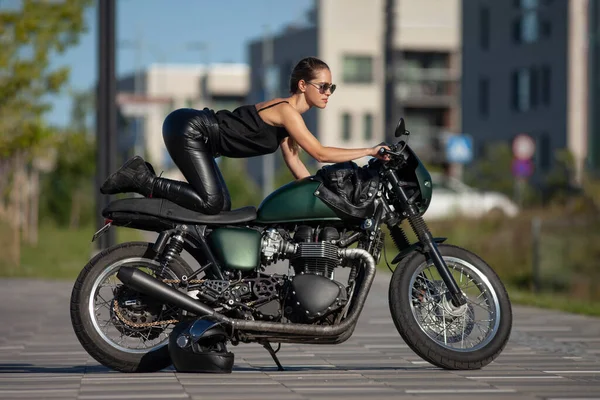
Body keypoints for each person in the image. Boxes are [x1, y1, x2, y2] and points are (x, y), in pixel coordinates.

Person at [100, 56, 390, 215]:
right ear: (303, 85)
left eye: (331, 88)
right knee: (213, 201)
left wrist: (328, 204)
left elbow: (302, 173)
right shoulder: (286, 112)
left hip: (197, 135)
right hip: (190, 128)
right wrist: (368, 150)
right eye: (323, 86)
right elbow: (320, 153)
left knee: (221, 207)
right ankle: (141, 178)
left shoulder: (288, 127)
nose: (328, 93)